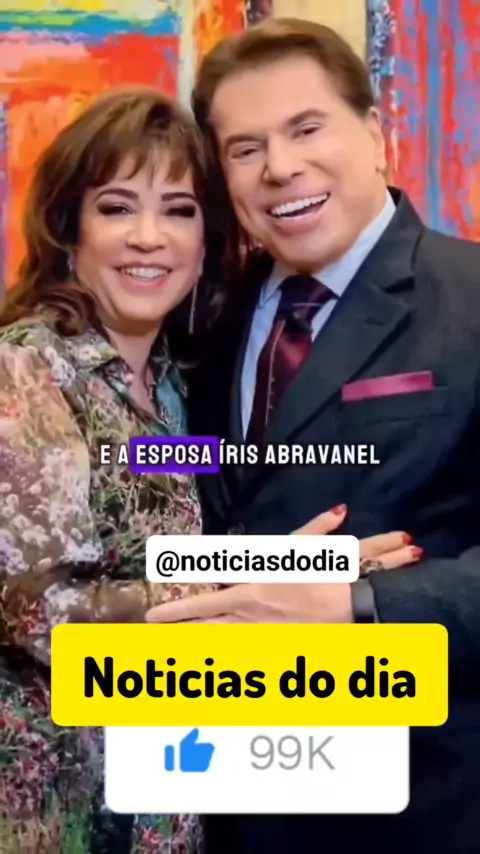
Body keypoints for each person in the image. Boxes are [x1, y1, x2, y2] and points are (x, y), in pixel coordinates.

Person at [0, 84, 415, 853]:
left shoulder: (177, 381)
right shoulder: (25, 371)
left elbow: (156, 539)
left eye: (180, 210)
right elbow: (38, 610)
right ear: (68, 229)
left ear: (207, 239)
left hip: (172, 799)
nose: (148, 238)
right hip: (62, 809)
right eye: (116, 208)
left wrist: (308, 570)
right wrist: (263, 593)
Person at [146, 18, 480, 854]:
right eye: (245, 148)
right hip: (218, 796)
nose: (280, 167)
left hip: (424, 806)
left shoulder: (470, 296)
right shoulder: (194, 319)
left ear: (373, 133)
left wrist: (359, 605)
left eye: (305, 128)